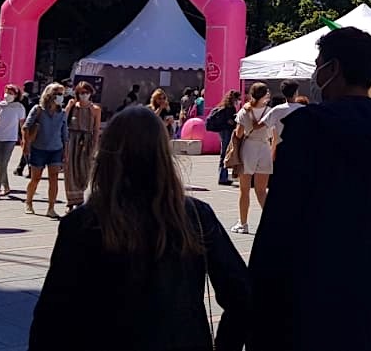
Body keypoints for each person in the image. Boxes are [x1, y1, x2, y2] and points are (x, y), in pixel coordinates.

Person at [247, 27, 371, 351]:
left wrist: (258, 307)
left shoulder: (308, 130)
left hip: (313, 305)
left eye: (318, 63)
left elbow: (278, 229)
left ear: (332, 68)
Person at [30, 106, 249, 351]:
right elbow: (241, 295)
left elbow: (52, 314)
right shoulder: (195, 215)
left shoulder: (84, 222)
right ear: (164, 155)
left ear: (106, 156)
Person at [230, 83, 274, 233]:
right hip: (264, 148)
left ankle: (243, 223)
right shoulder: (270, 111)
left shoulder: (245, 111)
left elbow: (239, 134)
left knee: (244, 190)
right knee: (262, 191)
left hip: (249, 148)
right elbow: (273, 134)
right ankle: (272, 221)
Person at [23, 84, 69, 218]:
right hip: (39, 148)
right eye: (58, 93)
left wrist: (65, 152)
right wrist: (26, 145)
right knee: (35, 178)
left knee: (53, 178)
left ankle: (51, 208)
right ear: (50, 95)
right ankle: (29, 202)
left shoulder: (63, 112)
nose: (61, 97)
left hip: (56, 149)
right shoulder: (38, 110)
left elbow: (64, 133)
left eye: (62, 94)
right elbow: (26, 126)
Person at [63, 81, 102, 212]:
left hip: (86, 140)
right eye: (81, 93)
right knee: (70, 170)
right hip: (72, 139)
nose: (83, 95)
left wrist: (95, 146)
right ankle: (72, 200)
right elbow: (63, 121)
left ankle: (80, 195)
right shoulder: (74, 106)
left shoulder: (95, 109)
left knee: (84, 169)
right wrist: (68, 107)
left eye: (86, 93)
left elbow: (96, 129)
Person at [0, 84, 26, 200]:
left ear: (16, 95)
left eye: (11, 93)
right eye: (6, 92)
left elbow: (22, 124)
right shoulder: (0, 105)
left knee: (3, 162)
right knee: (0, 163)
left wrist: (23, 138)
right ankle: (6, 187)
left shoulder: (19, 107)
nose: (7, 95)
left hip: (10, 138)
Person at [263, 80, 305, 161]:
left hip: (280, 148)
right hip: (299, 147)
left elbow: (262, 124)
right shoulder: (303, 109)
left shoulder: (276, 110)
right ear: (296, 92)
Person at [209, 90, 242, 186]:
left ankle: (222, 176)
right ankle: (223, 177)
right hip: (227, 131)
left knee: (223, 153)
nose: (239, 101)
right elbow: (231, 122)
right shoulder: (230, 108)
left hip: (222, 131)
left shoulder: (223, 106)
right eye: (238, 99)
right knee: (225, 154)